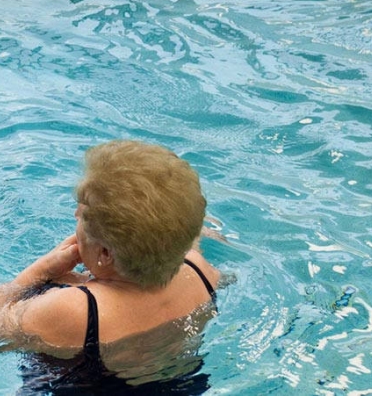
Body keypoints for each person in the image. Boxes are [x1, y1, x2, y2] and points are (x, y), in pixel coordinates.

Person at [0, 139, 221, 392]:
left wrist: (41, 271)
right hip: (184, 384)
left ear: (104, 253)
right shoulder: (199, 268)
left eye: (82, 213)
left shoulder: (74, 310)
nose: (75, 215)